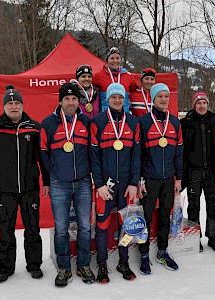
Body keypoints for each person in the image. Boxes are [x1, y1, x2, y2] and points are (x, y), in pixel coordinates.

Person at [0, 85, 49, 283]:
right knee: (5, 231)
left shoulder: (34, 127)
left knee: (33, 229)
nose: (14, 106)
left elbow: (42, 158)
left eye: (17, 103)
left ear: (22, 105)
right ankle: (5, 267)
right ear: (4, 106)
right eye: (10, 103)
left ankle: (34, 264)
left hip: (30, 189)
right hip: (4, 190)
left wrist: (46, 181)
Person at [40, 82, 95, 287]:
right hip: (59, 183)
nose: (71, 102)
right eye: (67, 99)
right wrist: (50, 176)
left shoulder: (86, 122)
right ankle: (63, 267)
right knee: (61, 227)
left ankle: (83, 264)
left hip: (82, 182)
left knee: (84, 226)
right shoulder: (48, 124)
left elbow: (92, 152)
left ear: (78, 101)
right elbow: (43, 154)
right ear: (60, 101)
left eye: (74, 99)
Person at [90, 83, 141, 283]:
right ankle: (102, 264)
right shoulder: (98, 122)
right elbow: (93, 156)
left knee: (126, 225)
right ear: (107, 100)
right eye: (114, 97)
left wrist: (134, 182)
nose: (117, 100)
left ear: (125, 99)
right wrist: (99, 184)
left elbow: (137, 155)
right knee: (102, 225)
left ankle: (124, 261)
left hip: (127, 185)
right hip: (106, 185)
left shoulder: (133, 122)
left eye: (121, 97)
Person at [137, 83, 183, 275]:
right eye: (160, 97)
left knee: (165, 215)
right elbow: (137, 154)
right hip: (149, 178)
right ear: (153, 99)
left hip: (168, 179)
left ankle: (162, 251)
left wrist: (179, 178)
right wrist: (138, 179)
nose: (164, 100)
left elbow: (179, 152)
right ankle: (144, 255)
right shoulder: (144, 122)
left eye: (166, 96)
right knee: (146, 217)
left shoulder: (175, 122)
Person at [180, 92, 215, 253]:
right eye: (199, 103)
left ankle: (213, 237)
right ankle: (194, 238)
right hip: (193, 170)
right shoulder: (186, 122)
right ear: (194, 105)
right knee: (193, 206)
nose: (202, 106)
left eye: (204, 102)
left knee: (213, 205)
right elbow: (181, 150)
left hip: (211, 170)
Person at [93, 47, 138, 113]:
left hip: (124, 114)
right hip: (105, 115)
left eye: (117, 58)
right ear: (107, 60)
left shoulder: (128, 76)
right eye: (112, 58)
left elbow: (133, 90)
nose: (115, 61)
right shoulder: (98, 75)